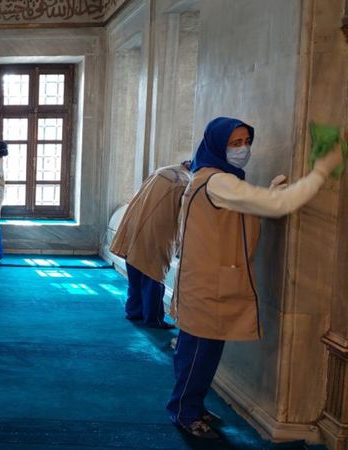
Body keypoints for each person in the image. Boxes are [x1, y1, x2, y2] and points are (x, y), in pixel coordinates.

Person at [166, 117, 344, 439]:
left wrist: (269, 193)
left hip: (205, 282)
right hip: (207, 285)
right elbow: (279, 206)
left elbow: (244, 207)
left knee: (205, 351)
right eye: (235, 143)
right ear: (218, 145)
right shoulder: (218, 181)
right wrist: (321, 170)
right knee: (197, 353)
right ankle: (184, 411)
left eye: (246, 141)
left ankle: (192, 404)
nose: (243, 149)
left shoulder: (210, 178)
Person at [110, 161, 192, 329]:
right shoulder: (185, 181)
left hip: (135, 226)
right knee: (153, 275)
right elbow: (185, 216)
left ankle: (134, 311)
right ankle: (153, 318)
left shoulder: (163, 171)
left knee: (135, 273)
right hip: (157, 234)